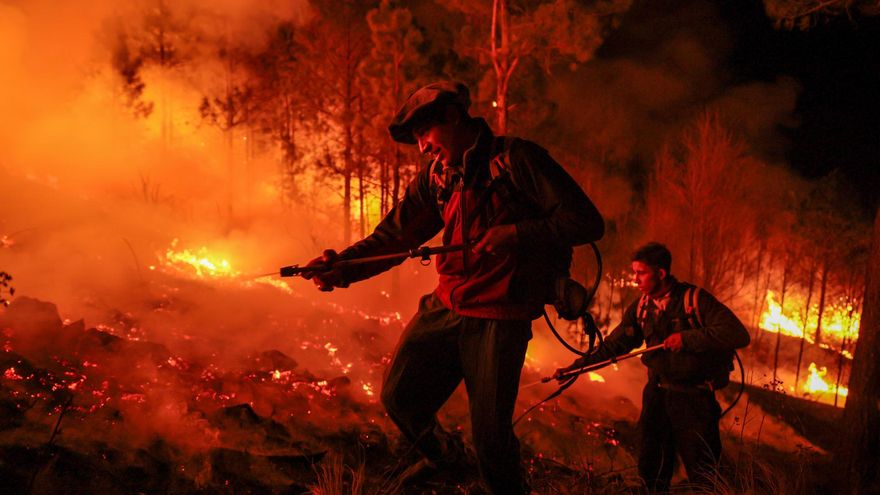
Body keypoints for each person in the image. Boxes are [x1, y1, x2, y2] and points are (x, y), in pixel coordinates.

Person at [304, 81, 604, 494]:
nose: (423, 147)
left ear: (452, 117)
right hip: (445, 307)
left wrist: (515, 233)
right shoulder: (437, 178)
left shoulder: (517, 160)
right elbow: (395, 237)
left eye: (425, 133)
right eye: (416, 141)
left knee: (491, 437)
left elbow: (586, 222)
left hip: (500, 318)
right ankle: (450, 461)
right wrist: (342, 268)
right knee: (400, 398)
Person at [555, 242, 749, 492]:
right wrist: (574, 368)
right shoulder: (641, 307)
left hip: (694, 400)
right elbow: (613, 347)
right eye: (634, 272)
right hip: (656, 396)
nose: (635, 279)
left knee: (704, 472)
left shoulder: (695, 301)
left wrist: (687, 339)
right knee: (651, 468)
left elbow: (738, 334)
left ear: (661, 273)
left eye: (641, 273)